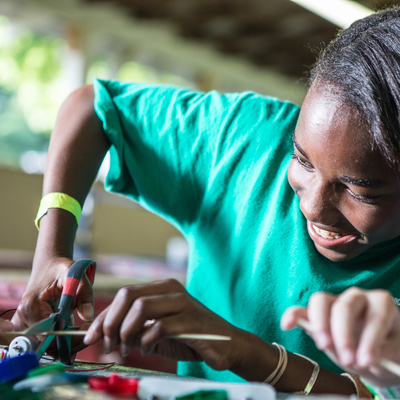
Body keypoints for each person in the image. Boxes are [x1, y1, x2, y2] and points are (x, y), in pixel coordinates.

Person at [9, 5, 400, 397]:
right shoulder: (247, 142)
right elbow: (91, 107)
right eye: (301, 159)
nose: (312, 207)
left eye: (360, 190)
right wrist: (51, 251)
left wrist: (245, 352)